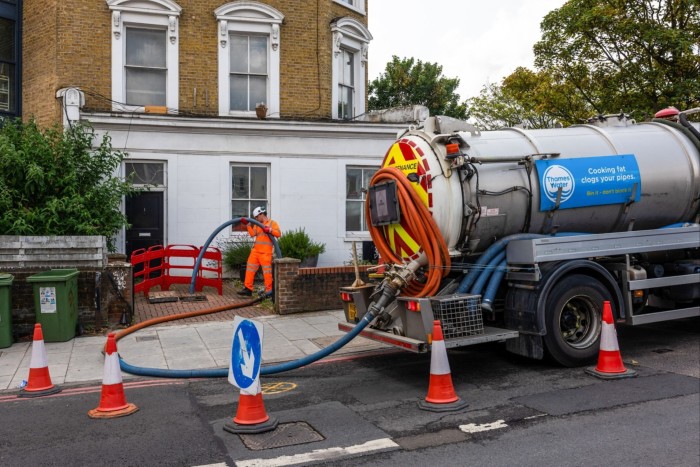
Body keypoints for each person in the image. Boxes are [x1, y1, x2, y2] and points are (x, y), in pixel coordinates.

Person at [238, 206, 281, 296]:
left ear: (261, 214)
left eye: (257, 217)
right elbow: (253, 234)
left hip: (266, 253)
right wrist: (248, 226)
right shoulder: (257, 224)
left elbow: (278, 234)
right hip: (255, 252)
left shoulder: (272, 223)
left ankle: (269, 292)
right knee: (249, 270)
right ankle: (248, 289)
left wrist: (270, 230)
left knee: (267, 273)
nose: (256, 219)